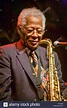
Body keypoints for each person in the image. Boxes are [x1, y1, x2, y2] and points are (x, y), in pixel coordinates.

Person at [0, 7, 66, 101]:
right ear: (19, 29)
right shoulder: (5, 53)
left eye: (39, 31)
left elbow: (60, 88)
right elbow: (3, 97)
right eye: (30, 30)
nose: (35, 35)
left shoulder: (52, 55)